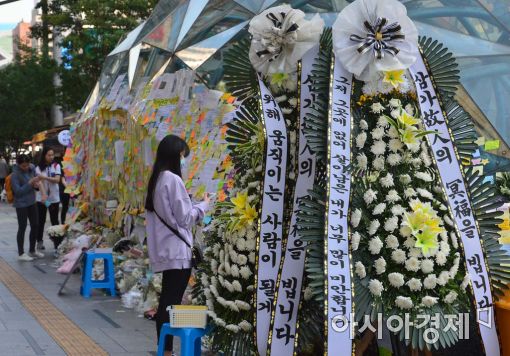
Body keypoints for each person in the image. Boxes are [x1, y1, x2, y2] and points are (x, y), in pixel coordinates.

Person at [145, 135, 209, 355]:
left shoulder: (156, 179)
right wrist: (204, 205)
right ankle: (167, 350)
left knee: (167, 300)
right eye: (183, 156)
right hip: (178, 252)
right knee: (171, 303)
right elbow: (185, 218)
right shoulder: (173, 180)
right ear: (175, 155)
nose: (184, 160)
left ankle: (165, 348)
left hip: (165, 250)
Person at [10, 155, 44, 261]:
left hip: (32, 201)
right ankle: (21, 253)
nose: (26, 167)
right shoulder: (15, 174)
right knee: (22, 227)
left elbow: (35, 183)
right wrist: (30, 183)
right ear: (19, 164)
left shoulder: (32, 167)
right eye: (23, 166)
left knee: (35, 225)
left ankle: (32, 250)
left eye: (27, 165)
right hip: (21, 204)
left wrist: (37, 185)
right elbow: (18, 192)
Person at [35, 146, 61, 251]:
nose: (51, 157)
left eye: (52, 155)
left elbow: (57, 180)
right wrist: (43, 195)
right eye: (49, 155)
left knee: (55, 220)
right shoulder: (38, 168)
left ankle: (57, 243)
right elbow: (38, 182)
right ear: (44, 155)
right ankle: (39, 242)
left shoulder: (56, 165)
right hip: (42, 199)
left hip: (54, 198)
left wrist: (45, 177)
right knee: (40, 221)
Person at [55, 156, 70, 224]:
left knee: (65, 207)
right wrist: (71, 190)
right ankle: (63, 222)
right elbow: (63, 181)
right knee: (65, 207)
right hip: (65, 190)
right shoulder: (62, 167)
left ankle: (64, 222)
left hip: (67, 189)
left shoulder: (67, 166)